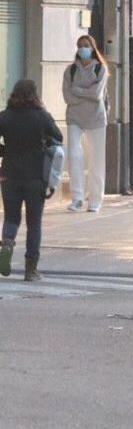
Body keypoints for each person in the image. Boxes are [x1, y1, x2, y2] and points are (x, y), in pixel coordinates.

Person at [0, 79, 63, 280]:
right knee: (34, 223)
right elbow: (58, 137)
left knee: (11, 217)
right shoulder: (41, 117)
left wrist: (4, 151)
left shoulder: (4, 117)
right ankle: (31, 269)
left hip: (8, 174)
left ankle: (7, 243)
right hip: (35, 176)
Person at [62, 34, 109, 213]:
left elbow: (97, 94)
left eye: (86, 45)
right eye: (80, 45)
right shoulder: (70, 70)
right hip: (74, 117)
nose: (83, 49)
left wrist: (77, 91)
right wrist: (86, 93)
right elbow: (67, 96)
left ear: (92, 47)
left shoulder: (100, 69)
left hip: (96, 119)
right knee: (74, 155)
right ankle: (77, 198)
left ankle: (95, 199)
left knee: (96, 160)